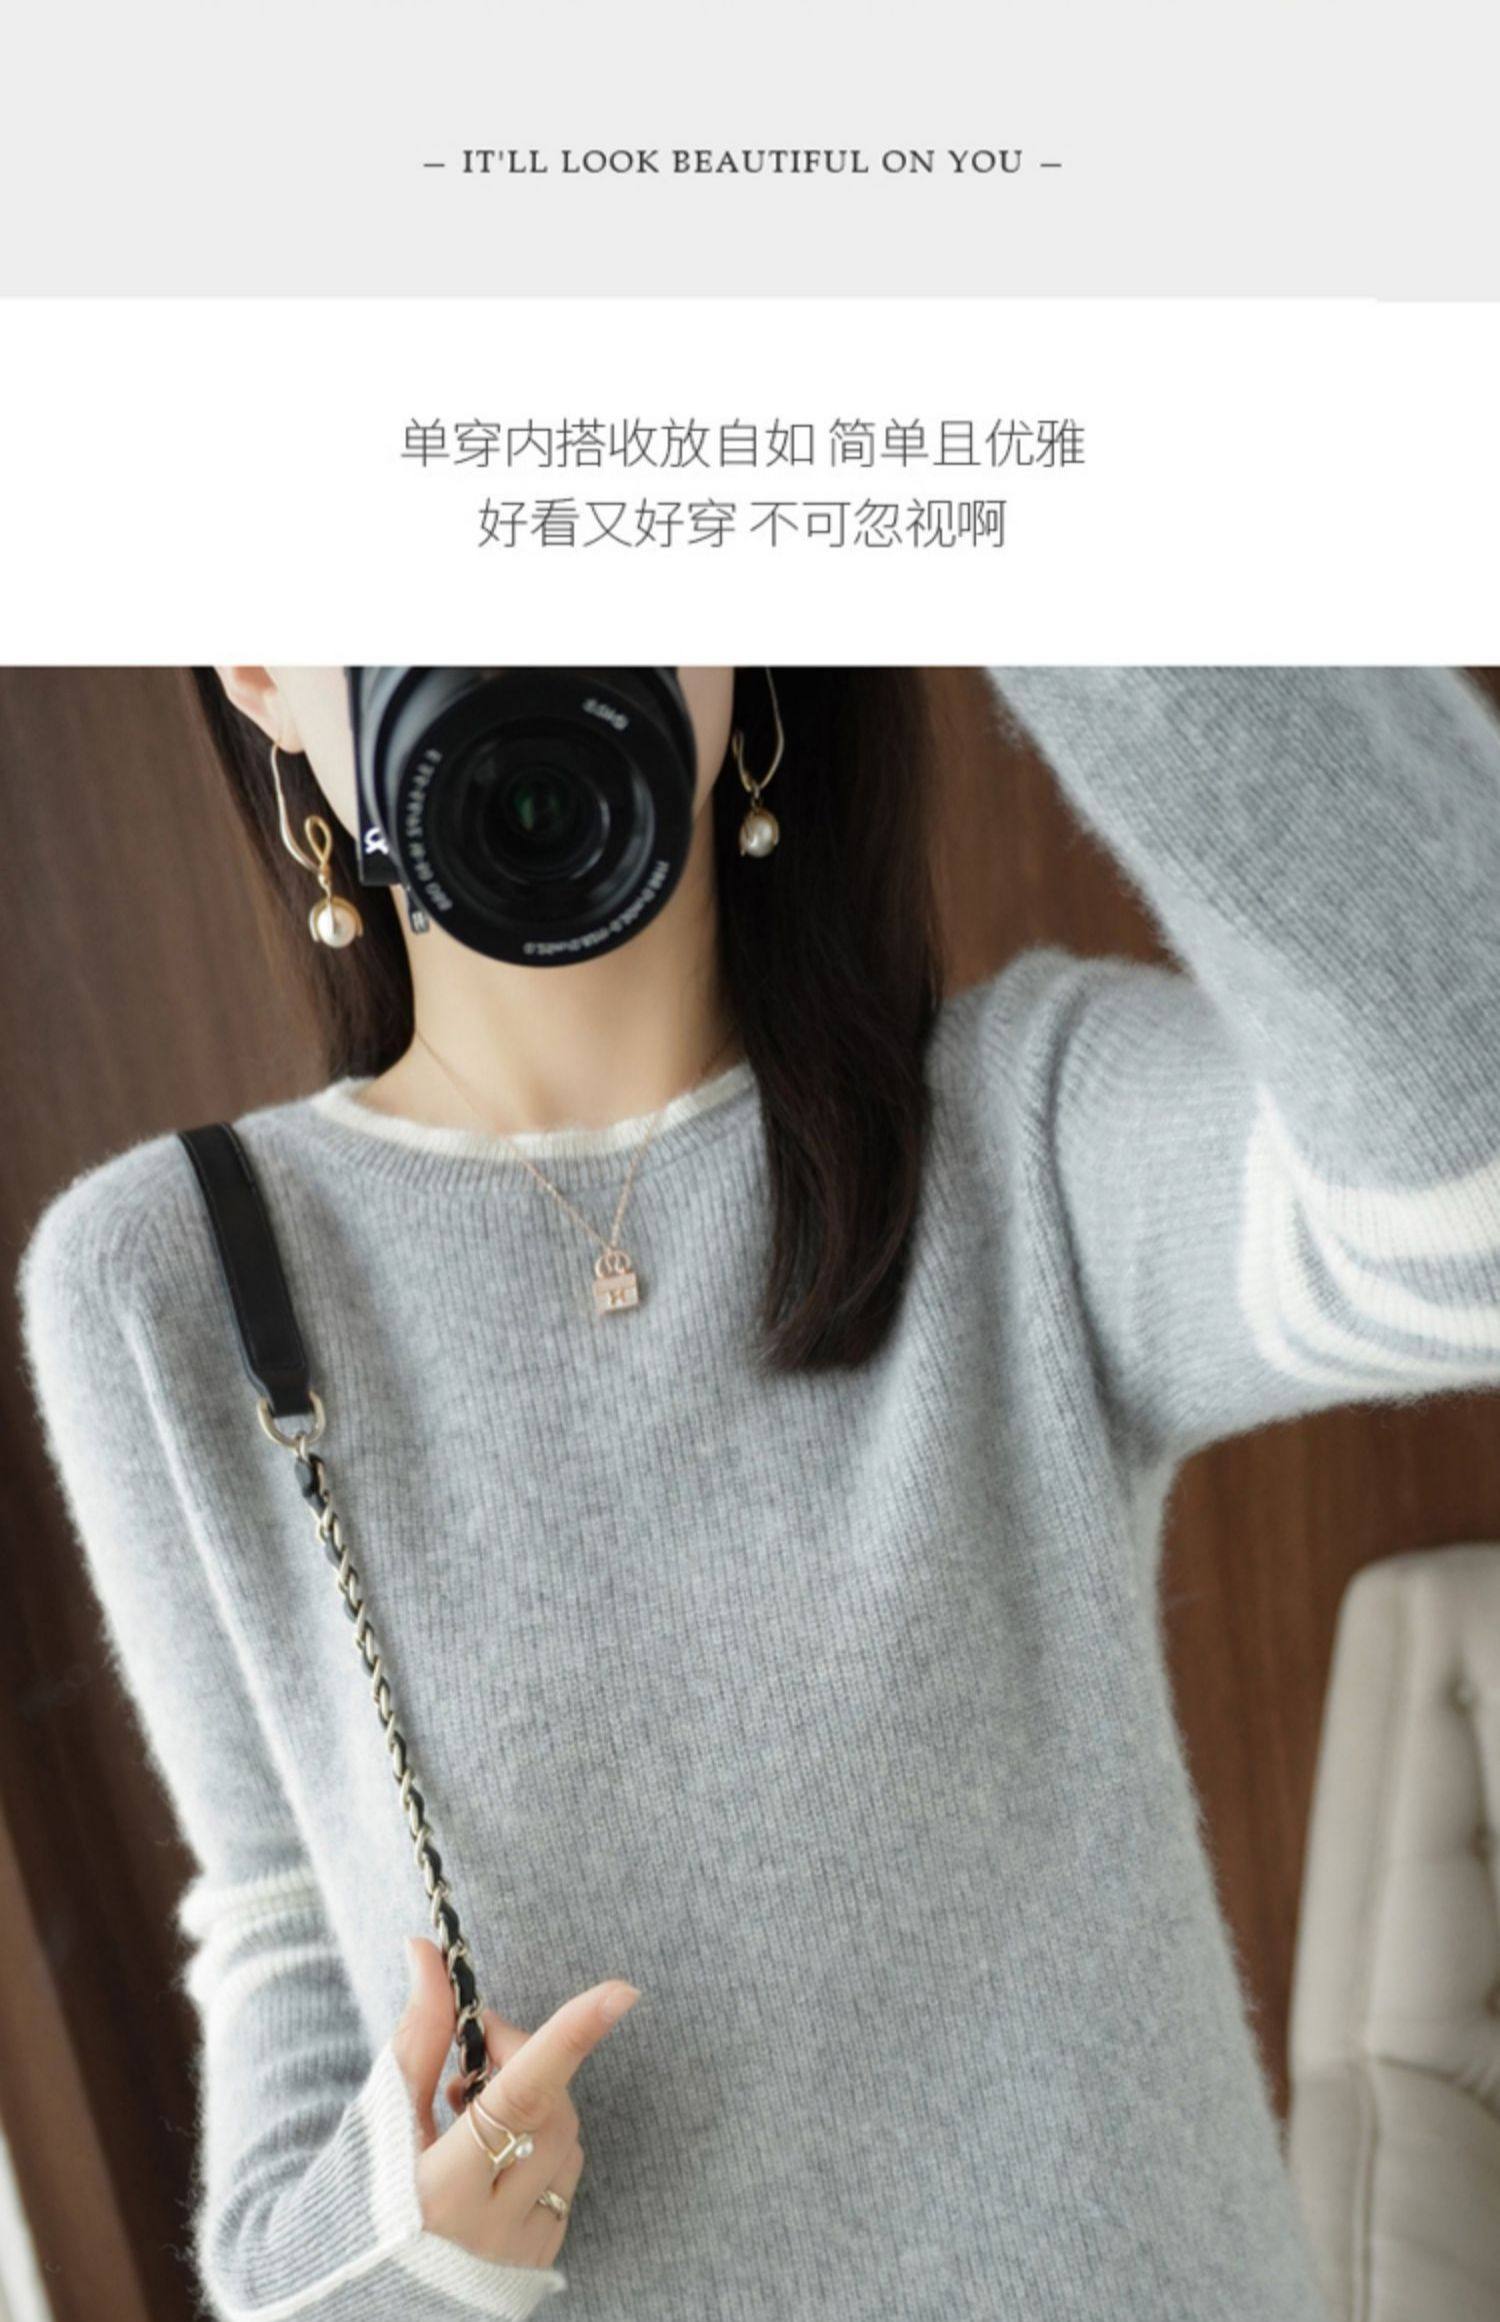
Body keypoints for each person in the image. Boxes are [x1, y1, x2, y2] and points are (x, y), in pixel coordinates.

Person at [19, 665, 1500, 2322]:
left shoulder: (1023, 1132)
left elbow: (1473, 1215)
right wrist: (392, 2259)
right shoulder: (167, 1280)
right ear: (256, 665)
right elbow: (284, 1928)